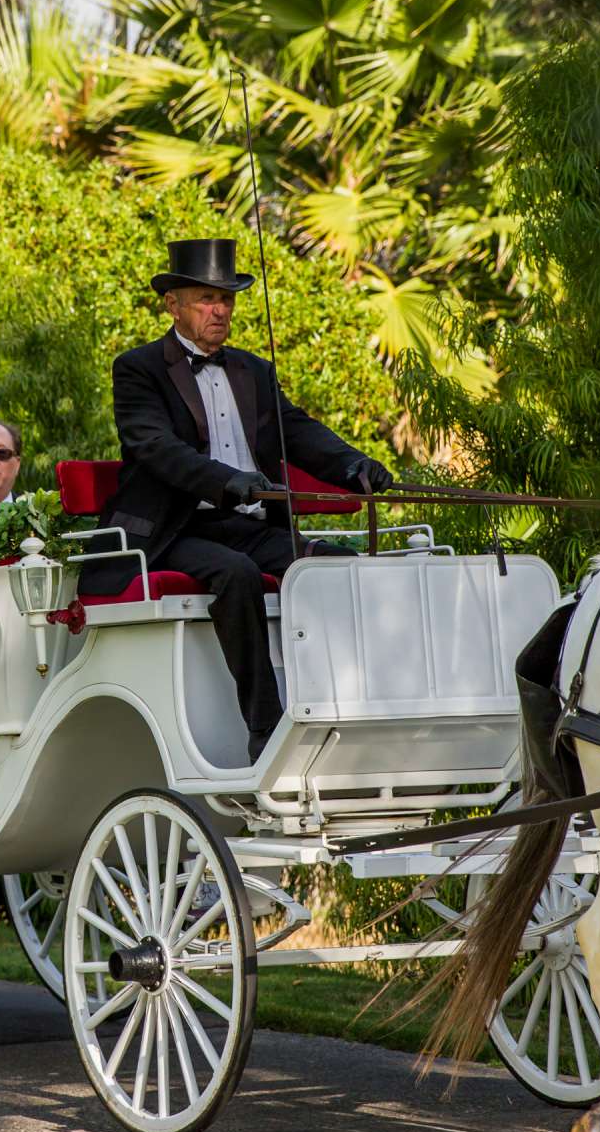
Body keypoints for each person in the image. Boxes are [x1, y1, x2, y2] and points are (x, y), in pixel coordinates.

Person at [79, 238, 394, 762]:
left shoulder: (253, 370)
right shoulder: (138, 368)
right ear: (172, 304)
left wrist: (352, 464)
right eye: (205, 299)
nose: (219, 310)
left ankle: (344, 708)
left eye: (226, 300)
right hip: (173, 529)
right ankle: (264, 728)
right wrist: (226, 481)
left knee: (337, 567)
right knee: (236, 574)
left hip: (247, 525)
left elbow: (297, 430)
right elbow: (155, 447)